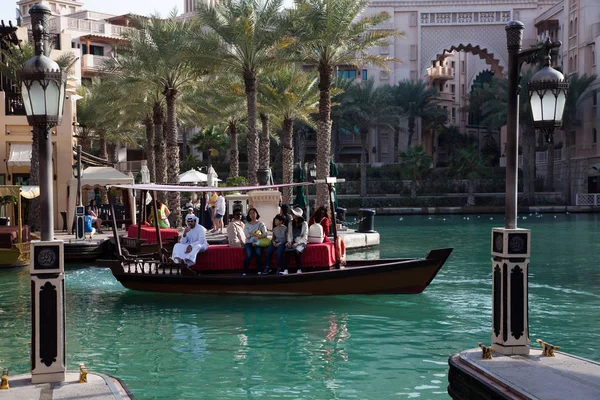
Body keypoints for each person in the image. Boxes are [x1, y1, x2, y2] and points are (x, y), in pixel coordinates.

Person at [281, 207, 308, 275]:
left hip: (301, 241)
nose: (292, 215)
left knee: (297, 250)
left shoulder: (304, 224)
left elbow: (305, 236)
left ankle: (299, 269)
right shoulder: (290, 223)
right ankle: (286, 269)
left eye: (294, 214)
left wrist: (297, 243)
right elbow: (289, 234)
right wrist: (289, 242)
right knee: (287, 249)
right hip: (292, 240)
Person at [242, 208, 267, 275]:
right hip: (249, 242)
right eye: (250, 213)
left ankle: (259, 270)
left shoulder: (261, 224)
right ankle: (245, 271)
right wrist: (254, 236)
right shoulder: (247, 224)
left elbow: (265, 234)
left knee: (258, 253)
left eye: (253, 213)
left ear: (256, 214)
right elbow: (247, 236)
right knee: (248, 255)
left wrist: (255, 236)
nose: (252, 215)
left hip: (258, 242)